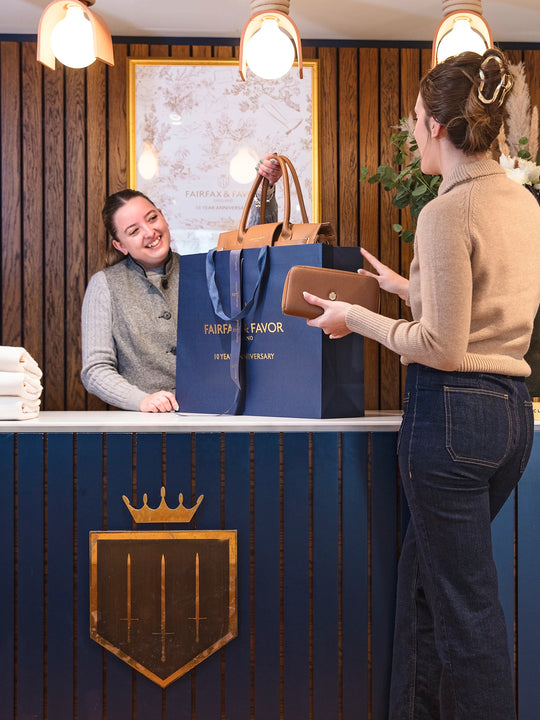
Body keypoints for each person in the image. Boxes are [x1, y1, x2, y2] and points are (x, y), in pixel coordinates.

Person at [303, 49, 540, 719]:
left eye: (414, 119)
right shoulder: (522, 202)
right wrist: (405, 287)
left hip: (452, 416)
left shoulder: (447, 211)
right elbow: (488, 306)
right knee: (425, 588)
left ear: (437, 126)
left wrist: (355, 317)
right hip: (509, 417)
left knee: (465, 609)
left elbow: (442, 346)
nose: (412, 133)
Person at [81, 153, 282, 412]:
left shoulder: (203, 270)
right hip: (147, 425)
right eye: (134, 231)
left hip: (216, 414)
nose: (149, 232)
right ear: (120, 246)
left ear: (163, 216)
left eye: (152, 218)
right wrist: (141, 400)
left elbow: (253, 250)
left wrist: (265, 192)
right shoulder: (104, 285)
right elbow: (96, 370)